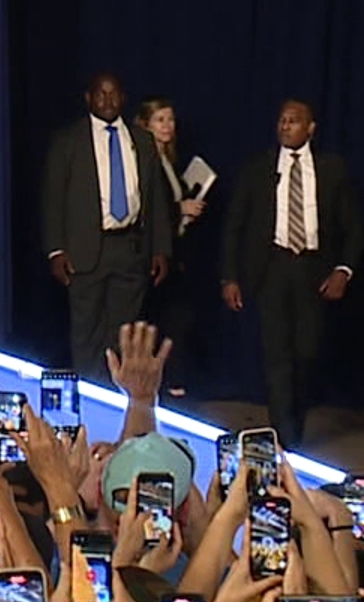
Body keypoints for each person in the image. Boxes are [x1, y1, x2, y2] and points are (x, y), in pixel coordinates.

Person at [219, 99, 361, 449]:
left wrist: (343, 270)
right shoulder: (258, 168)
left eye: (294, 121)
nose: (285, 126)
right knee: (277, 356)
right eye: (282, 120)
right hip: (271, 271)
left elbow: (353, 227)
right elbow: (234, 226)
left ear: (310, 128)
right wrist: (229, 276)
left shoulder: (332, 169)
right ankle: (285, 438)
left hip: (314, 272)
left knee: (307, 354)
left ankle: (294, 421)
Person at [40, 72, 171, 381]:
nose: (108, 100)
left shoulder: (142, 140)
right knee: (86, 335)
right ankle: (90, 407)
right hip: (85, 250)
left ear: (123, 99)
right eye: (101, 94)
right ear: (89, 98)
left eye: (114, 95)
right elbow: (53, 199)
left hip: (131, 249)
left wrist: (161, 249)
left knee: (124, 336)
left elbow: (155, 199)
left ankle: (118, 406)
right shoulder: (68, 141)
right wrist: (55, 250)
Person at [137, 97, 209, 396]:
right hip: (153, 256)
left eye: (170, 119)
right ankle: (164, 387)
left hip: (177, 254)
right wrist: (180, 209)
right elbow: (146, 208)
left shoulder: (168, 158)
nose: (168, 126)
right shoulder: (144, 159)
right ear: (145, 125)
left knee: (178, 320)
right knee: (166, 320)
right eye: (160, 120)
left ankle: (172, 384)